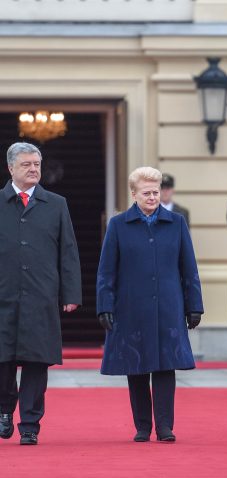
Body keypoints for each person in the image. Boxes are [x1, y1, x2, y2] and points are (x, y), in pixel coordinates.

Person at [96, 166, 203, 443]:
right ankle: (142, 426)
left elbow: (188, 266)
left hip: (169, 306)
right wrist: (104, 305)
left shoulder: (176, 222)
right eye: (146, 192)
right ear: (134, 194)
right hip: (131, 307)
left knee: (166, 367)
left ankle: (165, 427)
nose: (153, 197)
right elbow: (107, 270)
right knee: (137, 367)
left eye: (156, 192)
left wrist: (195, 305)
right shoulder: (118, 225)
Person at [0, 142, 81, 446]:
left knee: (37, 361)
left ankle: (30, 424)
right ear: (11, 168)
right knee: (3, 360)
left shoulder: (56, 204)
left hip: (41, 295)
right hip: (3, 296)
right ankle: (4, 409)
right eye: (26, 164)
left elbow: (68, 251)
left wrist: (70, 293)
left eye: (37, 164)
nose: (34, 169)